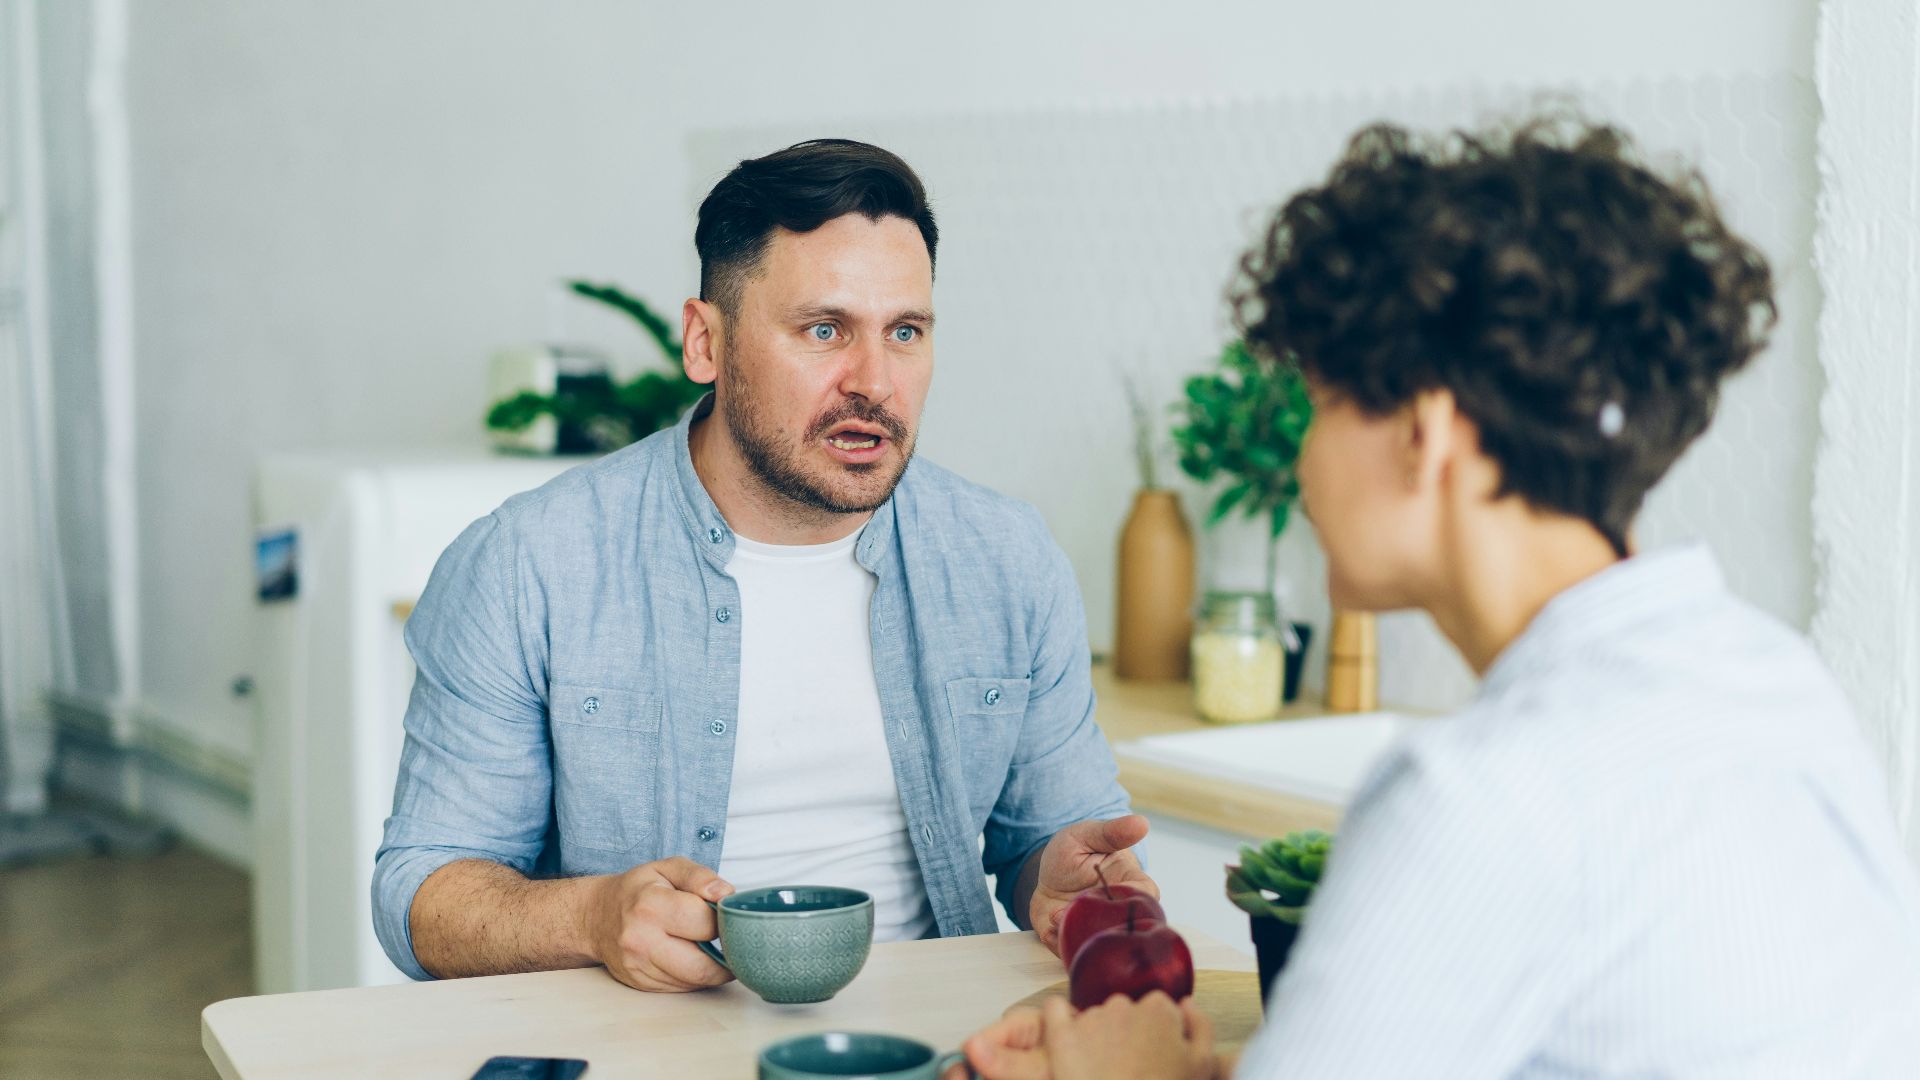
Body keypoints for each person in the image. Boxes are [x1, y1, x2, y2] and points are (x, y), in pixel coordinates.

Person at [957, 116, 1920, 1079]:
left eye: (1324, 403)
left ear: (1427, 436)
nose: (1302, 460)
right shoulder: (1776, 683)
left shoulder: (1482, 795)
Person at [373, 138, 1156, 992]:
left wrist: (1061, 883)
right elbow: (422, 893)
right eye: (824, 330)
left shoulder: (1007, 558)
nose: (875, 382)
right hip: (650, 1045)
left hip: (934, 1039)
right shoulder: (529, 565)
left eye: (905, 332)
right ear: (706, 343)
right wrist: (591, 918)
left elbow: (1049, 839)